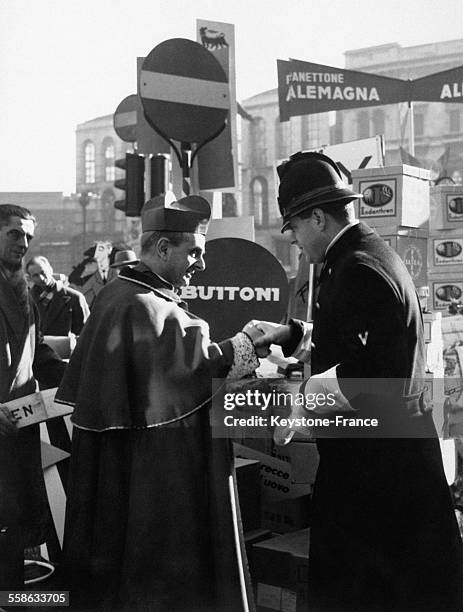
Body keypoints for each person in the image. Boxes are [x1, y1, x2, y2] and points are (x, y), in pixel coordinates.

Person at [251, 152, 463, 611]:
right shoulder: (359, 256)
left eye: (294, 227)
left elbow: (364, 374)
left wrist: (299, 402)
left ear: (318, 218)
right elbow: (360, 339)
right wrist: (292, 332)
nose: (292, 240)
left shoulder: (359, 271)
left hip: (380, 484)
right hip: (382, 471)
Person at [55, 194, 264, 611]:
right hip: (151, 476)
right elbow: (192, 370)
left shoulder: (118, 296)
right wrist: (256, 340)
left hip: (124, 468)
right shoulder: (140, 304)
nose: (201, 264)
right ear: (164, 248)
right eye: (195, 252)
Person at [0, 204, 65, 589]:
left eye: (27, 236)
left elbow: (37, 350)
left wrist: (76, 380)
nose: (22, 243)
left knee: (12, 526)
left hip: (17, 429)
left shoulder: (22, 288)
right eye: (13, 234)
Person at [26, 255, 89, 336]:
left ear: (50, 270)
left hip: (64, 347)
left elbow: (86, 334)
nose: (41, 278)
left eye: (43, 272)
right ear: (30, 278)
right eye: (35, 275)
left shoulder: (74, 298)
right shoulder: (27, 301)